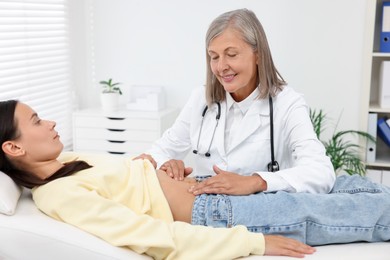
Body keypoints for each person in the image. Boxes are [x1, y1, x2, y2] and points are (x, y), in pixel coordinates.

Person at [2, 101, 390, 259]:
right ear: (14, 149)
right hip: (214, 213)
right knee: (361, 211)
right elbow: (153, 236)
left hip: (206, 185)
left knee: (345, 184)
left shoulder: (67, 160)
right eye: (36, 121)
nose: (50, 122)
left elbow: (134, 180)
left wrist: (168, 168)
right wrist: (253, 242)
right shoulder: (59, 195)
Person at [137, 8, 335, 196]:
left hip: (259, 216)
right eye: (214, 57)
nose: (221, 67)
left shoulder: (287, 103)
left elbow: (321, 172)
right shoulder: (201, 99)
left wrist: (255, 182)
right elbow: (157, 152)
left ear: (258, 55)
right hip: (205, 213)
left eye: (231, 54)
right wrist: (166, 164)